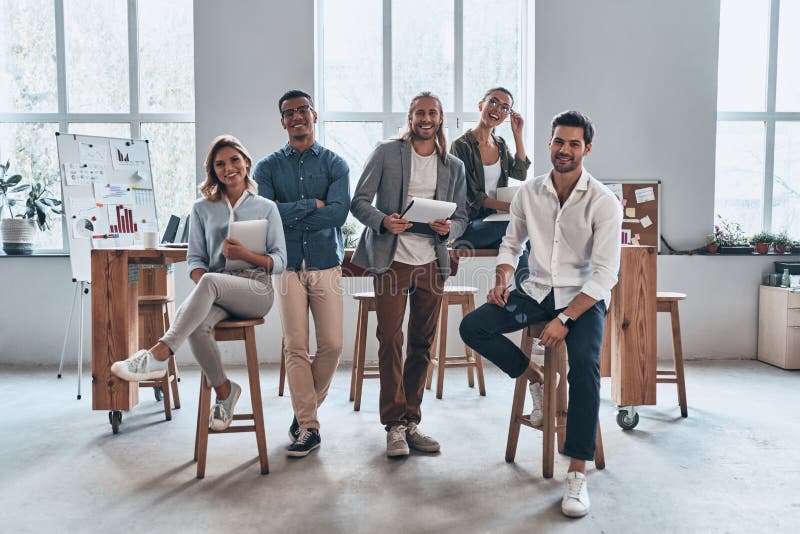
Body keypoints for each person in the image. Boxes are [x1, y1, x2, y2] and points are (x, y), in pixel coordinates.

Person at [459, 111, 622, 518]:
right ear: (549, 144)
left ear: (586, 148)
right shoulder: (529, 193)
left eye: (573, 143)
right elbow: (511, 245)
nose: (564, 150)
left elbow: (604, 277)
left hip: (582, 300)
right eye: (557, 142)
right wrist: (501, 278)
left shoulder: (603, 201)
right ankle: (535, 379)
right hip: (535, 292)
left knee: (584, 366)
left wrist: (565, 320)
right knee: (473, 326)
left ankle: (577, 474)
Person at [111, 135, 287, 432]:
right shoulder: (202, 208)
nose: (228, 168)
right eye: (220, 164)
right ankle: (224, 392)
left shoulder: (266, 207)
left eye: (234, 160)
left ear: (245, 162)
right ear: (213, 170)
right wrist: (206, 286)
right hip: (217, 289)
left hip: (256, 290)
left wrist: (245, 255)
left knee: (208, 284)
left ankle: (159, 353)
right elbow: (195, 261)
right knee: (196, 327)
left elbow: (280, 261)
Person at [350, 91, 468, 457]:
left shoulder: (454, 166)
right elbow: (359, 201)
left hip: (431, 262)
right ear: (410, 117)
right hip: (391, 259)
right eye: (420, 113)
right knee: (390, 340)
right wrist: (384, 220)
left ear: (441, 118)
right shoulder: (387, 152)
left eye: (432, 113)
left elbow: (462, 217)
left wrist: (450, 230)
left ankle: (412, 420)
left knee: (422, 342)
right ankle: (393, 425)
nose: (426, 118)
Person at [253, 89, 350, 458]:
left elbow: (338, 215)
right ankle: (309, 427)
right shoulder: (266, 168)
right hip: (286, 264)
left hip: (325, 261)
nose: (297, 117)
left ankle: (302, 410)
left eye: (303, 110)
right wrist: (313, 204)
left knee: (333, 345)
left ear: (314, 115)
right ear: (282, 121)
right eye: (289, 112)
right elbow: (267, 215)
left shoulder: (335, 164)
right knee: (295, 345)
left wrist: (289, 210)